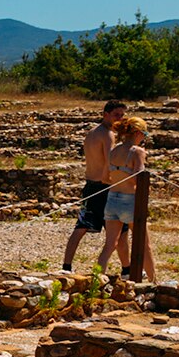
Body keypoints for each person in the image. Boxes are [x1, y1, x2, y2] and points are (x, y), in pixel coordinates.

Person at [61, 102, 122, 271]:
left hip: (90, 184)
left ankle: (66, 266)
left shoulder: (92, 132)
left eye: (122, 115)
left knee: (81, 226)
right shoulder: (108, 134)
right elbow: (109, 161)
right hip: (104, 186)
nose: (120, 118)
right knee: (119, 231)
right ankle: (126, 270)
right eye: (117, 115)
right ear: (106, 114)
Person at [97, 115, 156, 280]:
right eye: (144, 134)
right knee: (145, 245)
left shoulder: (114, 150)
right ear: (138, 133)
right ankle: (154, 281)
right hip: (129, 200)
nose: (144, 138)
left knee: (109, 245)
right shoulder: (137, 152)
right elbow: (139, 178)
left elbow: (104, 178)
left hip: (112, 198)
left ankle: (95, 280)